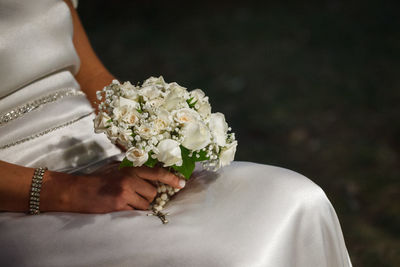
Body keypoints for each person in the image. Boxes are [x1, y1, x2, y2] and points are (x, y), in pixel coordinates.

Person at [0, 0, 352, 266]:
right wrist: (67, 191)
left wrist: (151, 128)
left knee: (294, 199)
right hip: (21, 191)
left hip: (103, 151)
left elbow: (90, 75)